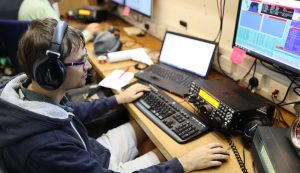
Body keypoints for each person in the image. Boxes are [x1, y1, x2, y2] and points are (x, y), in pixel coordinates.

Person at [0, 18, 229, 173]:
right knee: (169, 151)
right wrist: (184, 163)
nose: (88, 66)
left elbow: (71, 112)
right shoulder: (47, 147)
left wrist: (118, 99)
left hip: (89, 152)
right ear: (52, 73)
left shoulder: (29, 94)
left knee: (144, 123)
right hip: (94, 165)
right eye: (81, 61)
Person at [18, 0, 100, 42]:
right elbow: (64, 44)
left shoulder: (35, 2)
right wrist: (88, 32)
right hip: (45, 62)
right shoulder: (41, 8)